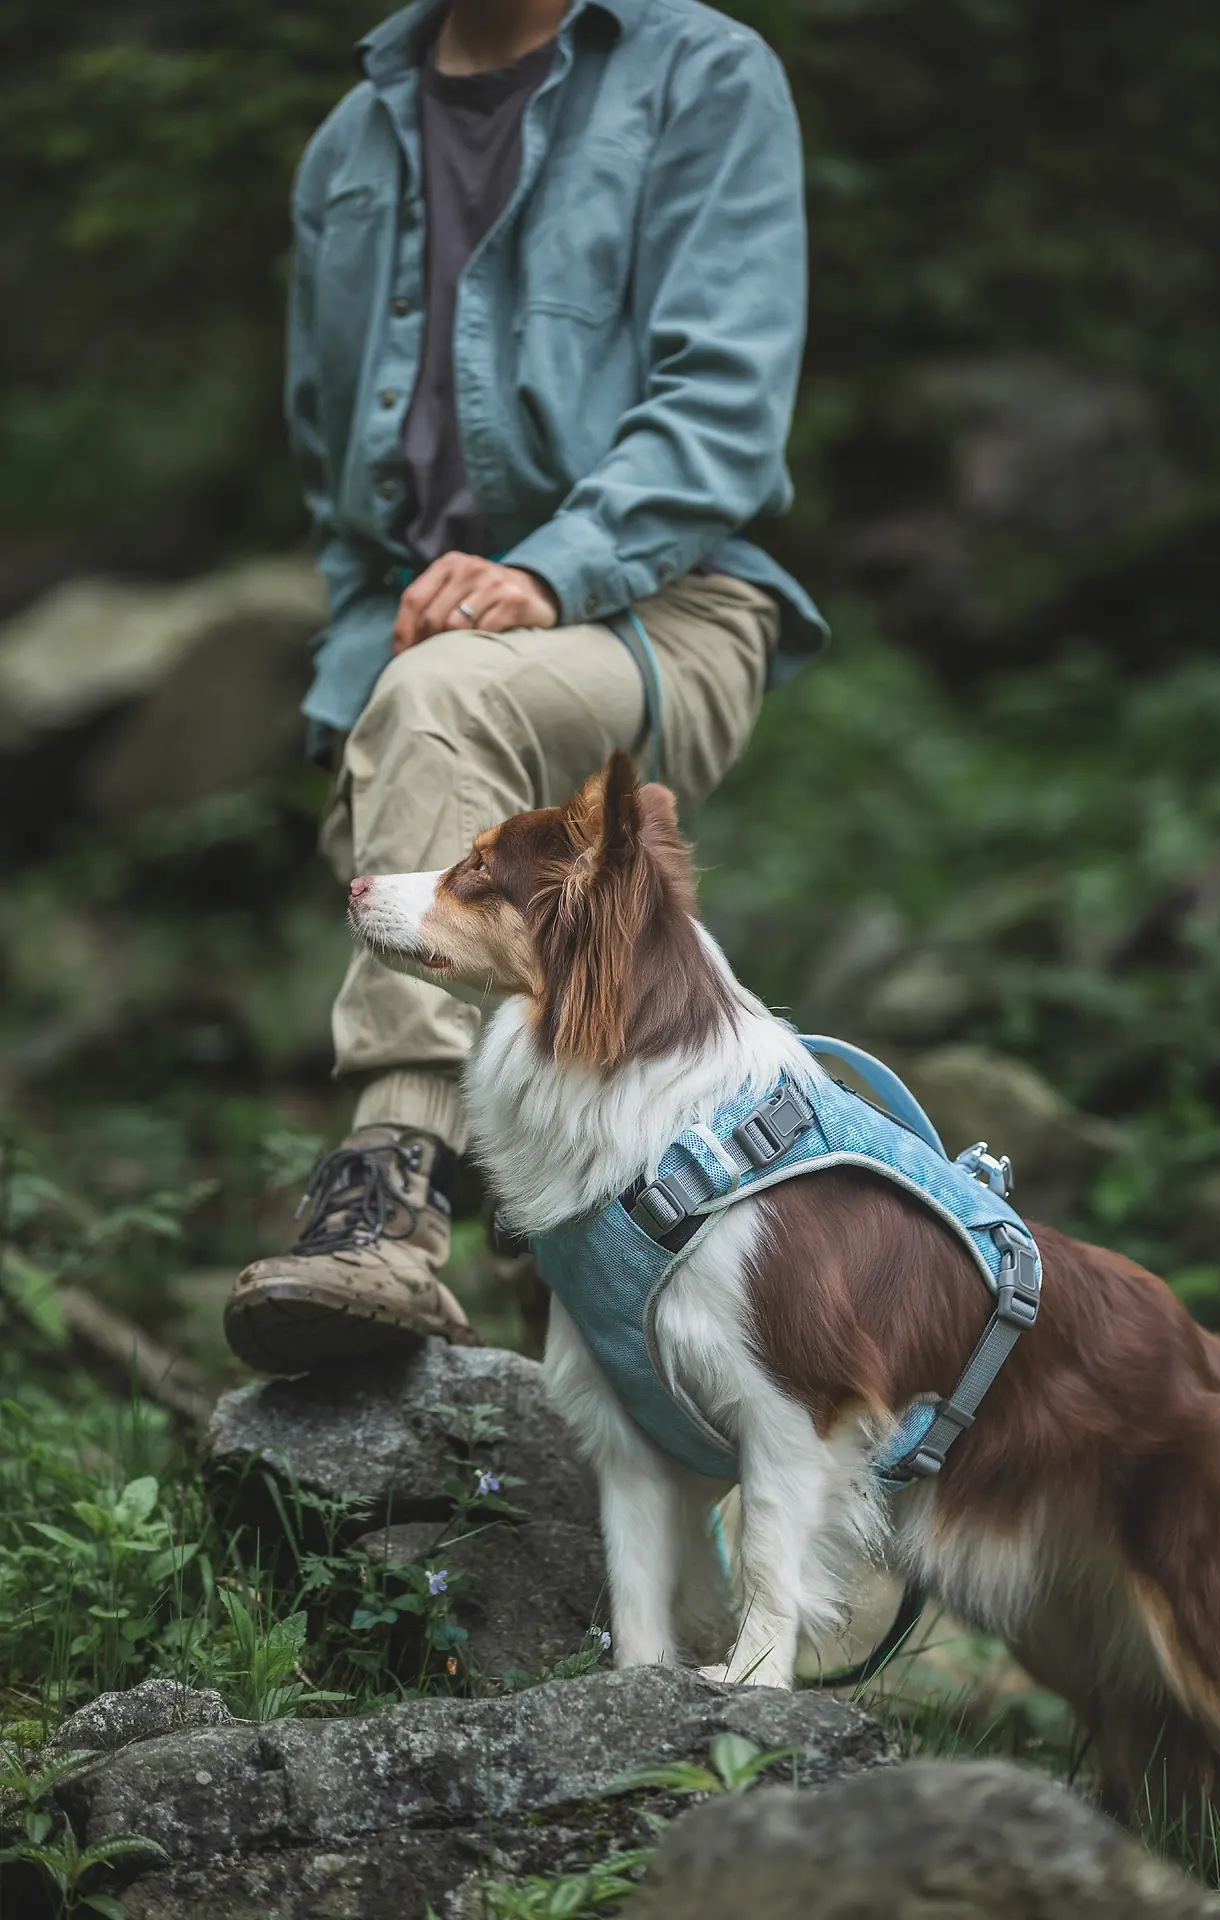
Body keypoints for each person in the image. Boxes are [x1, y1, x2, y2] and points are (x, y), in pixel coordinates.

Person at [223, 0, 826, 1373]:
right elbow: (339, 490)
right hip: (417, 649)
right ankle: (584, 1336)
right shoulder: (349, 148)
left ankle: (384, 1190)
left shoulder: (701, 75)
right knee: (428, 741)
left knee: (438, 711)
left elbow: (725, 407)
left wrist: (553, 572)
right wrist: (355, 693)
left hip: (668, 608)